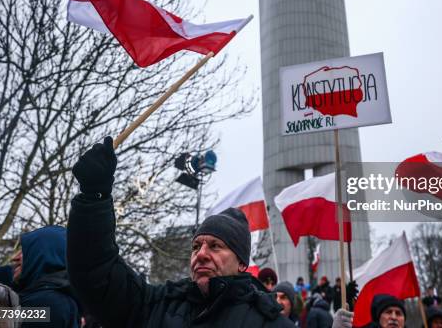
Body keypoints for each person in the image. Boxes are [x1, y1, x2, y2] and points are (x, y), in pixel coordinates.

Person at [68, 136, 293, 328]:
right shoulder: (156, 304)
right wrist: (94, 197)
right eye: (196, 246)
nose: (201, 254)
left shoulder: (268, 322)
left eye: (215, 246)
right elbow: (97, 273)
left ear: (242, 263)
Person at [12, 225, 81, 327]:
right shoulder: (51, 300)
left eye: (24, 251)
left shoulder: (47, 303)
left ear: (43, 255)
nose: (15, 258)